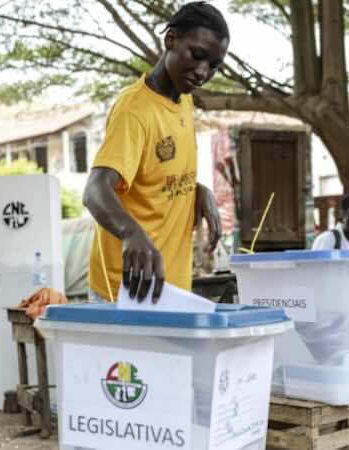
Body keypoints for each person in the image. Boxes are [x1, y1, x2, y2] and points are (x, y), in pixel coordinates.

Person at [83, 2, 229, 303]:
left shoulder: (184, 100)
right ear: (170, 40)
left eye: (213, 66)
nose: (203, 72)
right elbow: (95, 189)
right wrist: (131, 233)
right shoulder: (134, 110)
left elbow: (155, 175)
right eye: (197, 55)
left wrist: (197, 190)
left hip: (169, 291)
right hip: (125, 292)